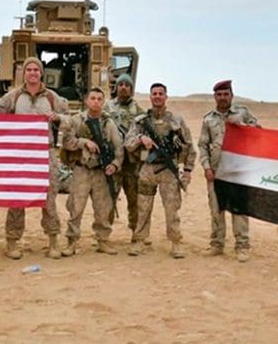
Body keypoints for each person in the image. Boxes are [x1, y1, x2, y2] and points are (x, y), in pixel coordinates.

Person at [0, 57, 68, 260]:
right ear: (24, 73)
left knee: (49, 198)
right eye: (29, 69)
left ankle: (53, 242)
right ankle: (12, 242)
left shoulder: (53, 98)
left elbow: (71, 118)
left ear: (42, 73)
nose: (33, 73)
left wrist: (58, 118)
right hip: (20, 154)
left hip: (45, 153)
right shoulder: (13, 97)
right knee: (17, 197)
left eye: (36, 69)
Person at [124, 82, 196, 258]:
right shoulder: (141, 121)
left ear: (166, 97)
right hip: (147, 169)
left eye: (160, 93)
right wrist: (141, 138)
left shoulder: (176, 121)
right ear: (150, 97)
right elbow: (128, 143)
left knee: (172, 209)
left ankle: (176, 243)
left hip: (168, 172)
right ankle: (140, 241)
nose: (157, 96)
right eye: (154, 94)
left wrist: (187, 170)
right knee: (143, 208)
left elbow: (188, 146)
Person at [198, 80, 260, 262]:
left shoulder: (243, 113)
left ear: (231, 96)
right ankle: (217, 244)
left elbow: (259, 133)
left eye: (226, 94)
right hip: (216, 172)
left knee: (239, 210)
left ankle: (242, 246)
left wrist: (243, 125)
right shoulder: (208, 119)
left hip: (238, 172)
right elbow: (202, 145)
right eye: (219, 94)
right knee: (216, 210)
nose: (223, 98)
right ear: (214, 97)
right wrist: (207, 167)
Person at [60, 87, 123, 256]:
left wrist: (115, 165)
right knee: (76, 208)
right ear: (87, 101)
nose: (96, 102)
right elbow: (66, 141)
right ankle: (71, 242)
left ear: (103, 102)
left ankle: (103, 241)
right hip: (82, 170)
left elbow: (119, 147)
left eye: (99, 99)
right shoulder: (76, 120)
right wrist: (83, 142)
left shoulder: (108, 123)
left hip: (101, 173)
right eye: (93, 98)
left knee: (103, 209)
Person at [103, 73, 144, 239]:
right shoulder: (107, 107)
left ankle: (136, 232)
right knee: (109, 199)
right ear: (116, 87)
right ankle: (104, 234)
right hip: (114, 162)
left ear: (131, 88)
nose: (124, 87)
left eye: (127, 85)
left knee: (134, 200)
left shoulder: (138, 110)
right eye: (121, 85)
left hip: (132, 163)